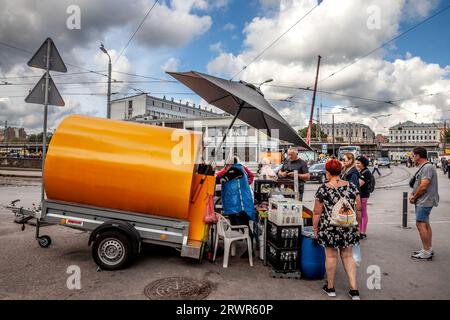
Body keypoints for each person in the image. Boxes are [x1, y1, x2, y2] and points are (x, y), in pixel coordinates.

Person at [313, 159, 362, 300]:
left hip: (330, 227)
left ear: (328, 173)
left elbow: (317, 212)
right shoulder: (352, 186)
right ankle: (354, 290)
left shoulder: (323, 188)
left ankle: (330, 288)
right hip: (348, 226)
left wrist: (315, 229)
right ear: (340, 171)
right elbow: (358, 209)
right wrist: (357, 226)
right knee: (348, 256)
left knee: (331, 256)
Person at [217, 155, 255, 258]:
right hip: (237, 205)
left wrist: (218, 178)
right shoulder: (236, 169)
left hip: (240, 206)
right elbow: (221, 176)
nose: (226, 168)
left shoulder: (236, 169)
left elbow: (223, 177)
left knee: (245, 227)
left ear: (230, 165)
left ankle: (250, 250)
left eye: (226, 166)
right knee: (241, 225)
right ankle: (245, 245)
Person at [409, 147, 439, 260]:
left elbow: (423, 186)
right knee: (425, 224)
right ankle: (428, 248)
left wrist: (414, 197)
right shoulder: (425, 167)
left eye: (413, 155)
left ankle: (426, 252)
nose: (412, 157)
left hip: (424, 201)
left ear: (418, 156)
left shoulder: (427, 167)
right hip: (424, 200)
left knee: (420, 224)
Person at [355, 156, 372, 240]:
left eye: (358, 163)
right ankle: (360, 231)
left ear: (363, 164)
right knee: (361, 213)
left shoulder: (366, 172)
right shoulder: (361, 171)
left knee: (363, 214)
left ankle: (362, 232)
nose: (356, 164)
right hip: (360, 195)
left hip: (363, 195)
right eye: (356, 162)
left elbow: (359, 184)